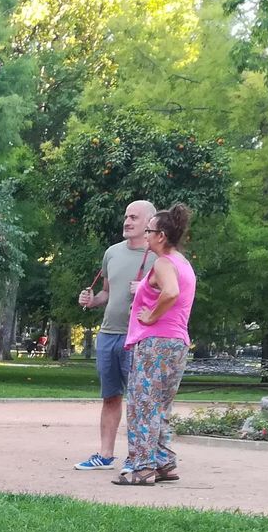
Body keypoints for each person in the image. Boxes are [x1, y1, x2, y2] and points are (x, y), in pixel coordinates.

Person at [114, 203, 196, 487]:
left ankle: (143, 467)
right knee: (160, 405)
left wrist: (151, 315)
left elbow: (171, 292)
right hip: (176, 342)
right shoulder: (183, 262)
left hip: (155, 343)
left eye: (149, 231)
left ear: (160, 235)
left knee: (141, 405)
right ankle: (164, 463)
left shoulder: (163, 263)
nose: (146, 236)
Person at [75, 199, 158, 470]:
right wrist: (91, 300)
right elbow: (107, 293)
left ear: (149, 222)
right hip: (109, 334)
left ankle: (138, 457)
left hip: (140, 337)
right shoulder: (112, 253)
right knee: (110, 396)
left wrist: (146, 290)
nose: (127, 221)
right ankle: (105, 454)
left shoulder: (159, 257)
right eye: (126, 216)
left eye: (134, 217)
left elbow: (173, 297)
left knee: (139, 400)